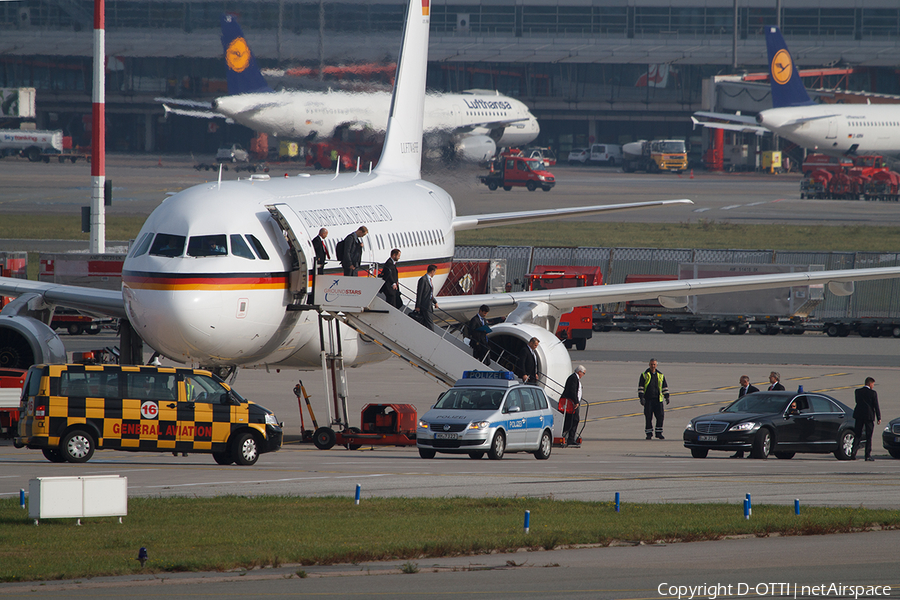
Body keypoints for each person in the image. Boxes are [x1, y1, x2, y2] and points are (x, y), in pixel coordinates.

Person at [638, 358, 669, 440]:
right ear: (649, 365)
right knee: (648, 417)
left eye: (654, 364)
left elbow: (664, 387)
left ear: (656, 365)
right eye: (651, 364)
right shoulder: (644, 375)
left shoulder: (660, 375)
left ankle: (659, 433)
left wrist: (667, 396)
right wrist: (641, 398)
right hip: (648, 400)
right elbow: (641, 387)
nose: (653, 366)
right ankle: (649, 434)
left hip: (658, 400)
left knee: (660, 416)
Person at [851, 377, 881, 461]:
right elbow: (876, 406)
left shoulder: (858, 391)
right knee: (868, 436)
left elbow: (857, 401)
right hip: (869, 416)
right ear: (870, 384)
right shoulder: (873, 393)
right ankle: (867, 455)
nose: (873, 386)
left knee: (857, 434)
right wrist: (879, 417)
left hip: (859, 415)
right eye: (873, 384)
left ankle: (853, 452)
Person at [730, 375, 760, 457]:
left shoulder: (754, 390)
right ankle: (739, 452)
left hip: (752, 413)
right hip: (743, 413)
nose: (740, 383)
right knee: (740, 432)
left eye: (741, 381)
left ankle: (752, 453)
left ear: (745, 382)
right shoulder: (742, 390)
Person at [560, 365, 586, 445]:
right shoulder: (573, 378)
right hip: (572, 403)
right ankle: (570, 438)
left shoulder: (575, 378)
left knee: (572, 420)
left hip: (574, 403)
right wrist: (576, 401)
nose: (583, 375)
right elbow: (572, 391)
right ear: (579, 372)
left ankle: (569, 436)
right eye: (583, 373)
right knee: (574, 420)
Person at [414, 264, 438, 330]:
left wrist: (435, 302)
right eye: (435, 272)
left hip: (429, 305)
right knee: (430, 323)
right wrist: (417, 306)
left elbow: (430, 294)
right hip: (425, 305)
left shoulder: (429, 280)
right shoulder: (423, 280)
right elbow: (420, 293)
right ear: (432, 271)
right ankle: (432, 337)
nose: (435, 274)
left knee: (425, 323)